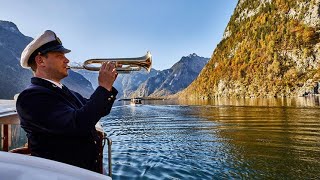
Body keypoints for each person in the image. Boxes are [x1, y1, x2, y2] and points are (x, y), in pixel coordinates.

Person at [16, 30, 118, 173]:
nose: (67, 60)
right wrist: (103, 87)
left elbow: (98, 110)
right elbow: (77, 124)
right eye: (59, 56)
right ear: (40, 61)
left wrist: (107, 87)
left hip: (83, 172)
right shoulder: (31, 97)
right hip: (63, 175)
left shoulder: (64, 91)